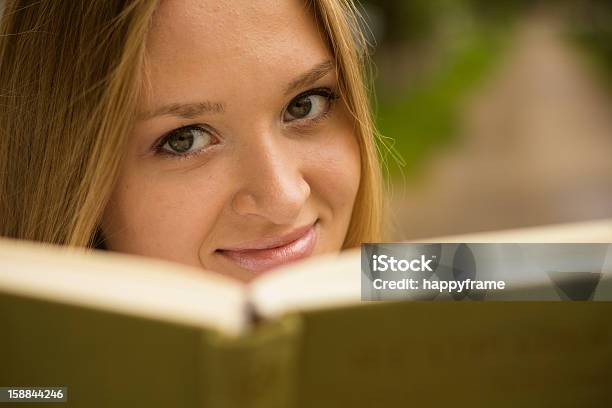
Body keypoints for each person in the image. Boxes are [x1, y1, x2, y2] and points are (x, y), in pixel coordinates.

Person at [0, 0, 386, 282]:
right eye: (185, 140)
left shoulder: (429, 283)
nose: (284, 199)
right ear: (71, 178)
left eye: (304, 105)